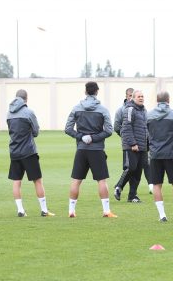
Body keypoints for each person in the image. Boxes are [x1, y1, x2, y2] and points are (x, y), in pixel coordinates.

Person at [64, 81, 117, 218]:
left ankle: (71, 211)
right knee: (102, 180)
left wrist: (81, 137)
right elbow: (109, 131)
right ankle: (106, 211)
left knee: (76, 180)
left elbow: (68, 129)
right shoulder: (103, 110)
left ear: (85, 91)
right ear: (97, 91)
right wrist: (93, 138)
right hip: (97, 149)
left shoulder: (76, 108)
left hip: (81, 149)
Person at [7, 89, 54, 218]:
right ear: (26, 99)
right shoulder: (28, 112)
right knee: (37, 181)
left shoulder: (9, 113)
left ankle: (20, 210)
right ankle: (44, 210)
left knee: (16, 182)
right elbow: (36, 132)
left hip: (14, 151)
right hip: (28, 151)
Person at [146, 91, 173, 222]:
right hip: (171, 154)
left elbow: (147, 134)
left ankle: (162, 215)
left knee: (157, 184)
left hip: (155, 154)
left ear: (157, 100)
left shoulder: (149, 115)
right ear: (168, 100)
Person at [114, 87, 152, 200]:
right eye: (138, 96)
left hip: (143, 146)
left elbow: (146, 128)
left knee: (138, 172)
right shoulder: (130, 109)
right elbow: (126, 127)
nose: (141, 98)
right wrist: (132, 143)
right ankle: (118, 187)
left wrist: (147, 144)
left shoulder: (144, 110)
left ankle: (132, 196)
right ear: (133, 98)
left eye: (142, 96)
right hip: (132, 145)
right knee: (131, 168)